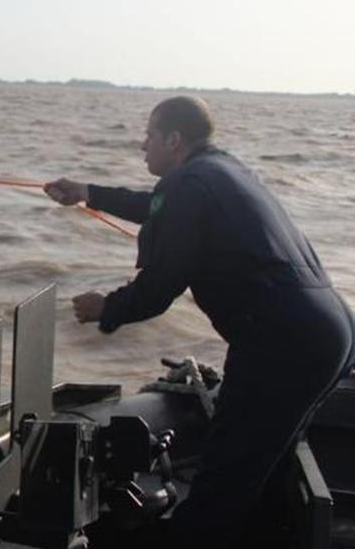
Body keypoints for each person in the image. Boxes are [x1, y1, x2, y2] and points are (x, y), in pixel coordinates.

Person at [43, 96, 354, 548]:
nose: (141, 145)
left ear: (174, 139)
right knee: (265, 467)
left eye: (149, 135)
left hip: (282, 343)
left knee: (223, 475)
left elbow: (160, 285)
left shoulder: (192, 184)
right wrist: (88, 192)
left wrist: (106, 308)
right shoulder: (221, 171)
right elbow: (158, 206)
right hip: (331, 333)